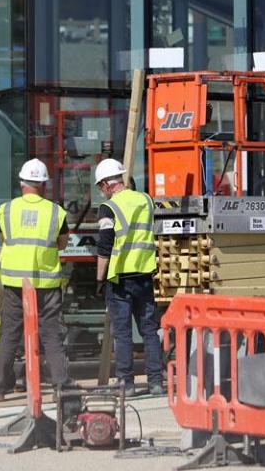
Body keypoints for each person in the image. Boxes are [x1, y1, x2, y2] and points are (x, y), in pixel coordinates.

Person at [0, 158, 72, 402]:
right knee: (52, 335)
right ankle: (61, 388)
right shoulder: (55, 212)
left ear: (22, 183)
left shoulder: (7, 210)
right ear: (44, 185)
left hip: (14, 283)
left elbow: (5, 239)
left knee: (10, 334)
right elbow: (62, 243)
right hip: (46, 284)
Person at [93, 158, 163, 397]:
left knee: (122, 334)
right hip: (144, 275)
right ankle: (155, 382)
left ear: (106, 184)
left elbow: (104, 247)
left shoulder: (108, 208)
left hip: (120, 279)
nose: (101, 192)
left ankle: (127, 384)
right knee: (150, 330)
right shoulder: (145, 200)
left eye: (100, 187)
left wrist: (99, 279)